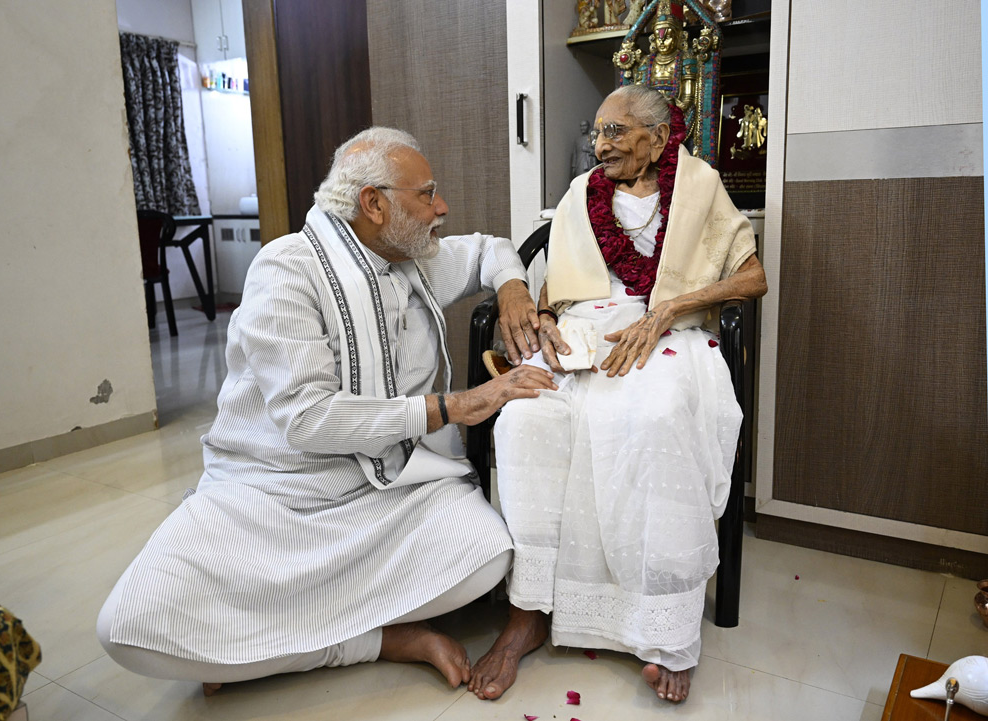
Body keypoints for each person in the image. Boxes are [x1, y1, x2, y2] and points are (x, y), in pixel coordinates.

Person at [97, 127, 556, 695]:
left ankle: (257, 647)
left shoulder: (415, 257)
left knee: (487, 557)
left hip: (387, 489)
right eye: (426, 193)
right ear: (374, 204)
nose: (442, 207)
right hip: (274, 492)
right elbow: (309, 419)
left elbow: (490, 248)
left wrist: (512, 289)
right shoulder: (286, 272)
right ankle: (383, 639)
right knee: (127, 627)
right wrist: (453, 406)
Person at [468, 85, 767, 704]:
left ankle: (664, 629)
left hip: (665, 330)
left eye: (615, 132)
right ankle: (529, 609)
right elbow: (554, 285)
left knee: (654, 417)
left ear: (658, 140)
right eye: (597, 132)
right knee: (525, 422)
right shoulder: (581, 194)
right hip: (583, 332)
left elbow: (752, 276)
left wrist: (667, 311)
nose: (598, 145)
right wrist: (544, 316)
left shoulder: (700, 184)